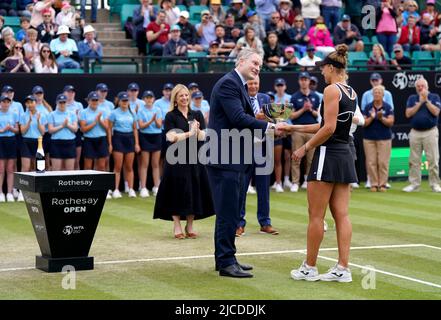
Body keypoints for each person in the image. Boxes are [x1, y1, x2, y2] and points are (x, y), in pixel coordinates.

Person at [206, 48, 285, 278]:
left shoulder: (236, 84)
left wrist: (269, 129)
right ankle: (226, 261)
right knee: (228, 211)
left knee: (230, 211)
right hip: (225, 158)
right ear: (240, 61)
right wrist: (271, 128)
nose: (257, 67)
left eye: (260, 65)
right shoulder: (230, 84)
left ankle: (227, 258)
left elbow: (244, 120)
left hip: (234, 158)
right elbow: (238, 119)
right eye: (254, 62)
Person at [286, 44, 357, 282]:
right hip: (345, 153)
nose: (321, 73)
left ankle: (309, 267)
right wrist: (293, 127)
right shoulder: (351, 91)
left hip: (328, 153)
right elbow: (324, 125)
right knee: (342, 215)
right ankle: (343, 268)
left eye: (323, 68)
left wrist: (304, 147)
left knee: (316, 216)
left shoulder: (330, 90)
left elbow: (328, 128)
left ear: (331, 67)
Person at [153, 84, 214, 238]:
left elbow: (204, 136)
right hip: (176, 159)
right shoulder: (171, 116)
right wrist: (189, 133)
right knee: (176, 191)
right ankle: (177, 226)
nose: (185, 98)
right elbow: (171, 137)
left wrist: (198, 131)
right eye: (181, 95)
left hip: (195, 158)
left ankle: (190, 225)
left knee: (194, 190)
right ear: (175, 98)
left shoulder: (197, 114)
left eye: (186, 95)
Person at [237, 76, 278, 237]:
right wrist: (257, 118)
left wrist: (268, 118)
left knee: (263, 188)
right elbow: (240, 120)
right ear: (246, 84)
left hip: (263, 148)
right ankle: (239, 224)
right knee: (242, 188)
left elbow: (273, 119)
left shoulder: (265, 98)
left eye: (256, 83)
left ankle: (265, 223)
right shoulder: (240, 98)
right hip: (245, 148)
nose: (253, 86)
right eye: (251, 83)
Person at [403, 77, 441, 193]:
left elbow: (436, 112)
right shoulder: (412, 98)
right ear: (416, 88)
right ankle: (414, 184)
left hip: (430, 131)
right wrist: (420, 102)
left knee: (433, 159)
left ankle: (434, 184)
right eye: (418, 86)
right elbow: (408, 114)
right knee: (414, 160)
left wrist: (426, 101)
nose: (420, 88)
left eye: (422, 86)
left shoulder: (434, 97)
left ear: (427, 87)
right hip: (415, 132)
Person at [289, 72, 320, 192]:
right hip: (298, 130)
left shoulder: (316, 96)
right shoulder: (294, 97)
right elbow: (291, 116)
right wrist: (303, 109)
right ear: (299, 81)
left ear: (309, 81)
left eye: (305, 79)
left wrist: (310, 109)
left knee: (311, 158)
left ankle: (308, 180)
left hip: (312, 130)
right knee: (296, 157)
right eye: (302, 79)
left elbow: (318, 115)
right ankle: (295, 182)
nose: (304, 81)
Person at [108, 92, 140, 199]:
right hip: (118, 138)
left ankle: (131, 189)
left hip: (129, 138)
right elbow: (109, 129)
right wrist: (110, 143)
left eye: (126, 100)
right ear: (119, 101)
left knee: (129, 166)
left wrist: (136, 143)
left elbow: (135, 129)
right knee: (117, 166)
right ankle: (115, 189)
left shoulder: (132, 113)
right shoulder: (114, 113)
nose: (125, 102)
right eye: (123, 100)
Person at [362, 85, 394, 192]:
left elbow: (390, 122)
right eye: (375, 92)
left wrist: (381, 118)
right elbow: (364, 123)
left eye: (379, 92)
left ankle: (383, 184)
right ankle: (374, 184)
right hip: (369, 138)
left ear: (383, 95)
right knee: (371, 162)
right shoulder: (368, 107)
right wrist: (371, 117)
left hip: (384, 138)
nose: (376, 94)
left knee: (383, 162)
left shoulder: (388, 107)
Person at [137, 90, 162, 197]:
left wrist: (154, 120)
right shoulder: (140, 110)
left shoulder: (158, 109)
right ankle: (143, 187)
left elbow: (159, 125)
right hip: (145, 136)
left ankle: (156, 186)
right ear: (144, 99)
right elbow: (141, 126)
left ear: (153, 99)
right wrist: (151, 120)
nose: (149, 99)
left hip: (156, 136)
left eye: (150, 97)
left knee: (155, 164)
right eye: (147, 98)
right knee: (144, 164)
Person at [78, 91, 109, 172]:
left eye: (96, 100)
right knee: (88, 166)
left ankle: (100, 184)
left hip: (101, 139)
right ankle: (88, 183)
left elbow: (107, 127)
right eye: (93, 100)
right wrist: (95, 122)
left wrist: (100, 121)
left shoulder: (103, 111)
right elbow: (83, 129)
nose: (94, 102)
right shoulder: (83, 112)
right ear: (88, 101)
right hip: (89, 140)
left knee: (102, 166)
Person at [19, 95, 47, 183]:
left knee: (37, 167)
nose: (30, 104)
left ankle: (37, 187)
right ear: (25, 104)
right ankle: (22, 190)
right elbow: (22, 131)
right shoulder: (23, 115)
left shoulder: (41, 115)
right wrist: (29, 121)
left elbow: (43, 132)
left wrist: (38, 121)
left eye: (31, 102)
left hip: (38, 142)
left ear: (35, 103)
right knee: (26, 167)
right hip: (26, 142)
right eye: (27, 103)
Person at [47, 93, 78, 171]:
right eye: (60, 102)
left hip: (69, 143)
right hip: (56, 143)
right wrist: (62, 126)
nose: (62, 104)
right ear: (57, 103)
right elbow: (50, 130)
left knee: (69, 170)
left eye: (64, 102)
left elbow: (75, 129)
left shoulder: (72, 114)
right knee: (56, 170)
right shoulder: (52, 114)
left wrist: (67, 125)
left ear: (67, 103)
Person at [273, 78, 292, 192]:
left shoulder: (289, 98)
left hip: (288, 130)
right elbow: (273, 116)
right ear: (275, 87)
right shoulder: (272, 98)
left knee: (287, 156)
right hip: (277, 131)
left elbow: (290, 115)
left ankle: (286, 179)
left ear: (285, 86)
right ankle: (278, 181)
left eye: (282, 85)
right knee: (277, 158)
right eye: (278, 85)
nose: (280, 87)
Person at [0, 95, 19, 203]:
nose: (6, 104)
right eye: (4, 102)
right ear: (1, 103)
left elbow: (17, 130)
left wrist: (11, 128)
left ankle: (10, 193)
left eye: (8, 102)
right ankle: (1, 193)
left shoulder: (14, 114)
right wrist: (3, 130)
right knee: (1, 169)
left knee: (11, 168)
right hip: (1, 140)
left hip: (11, 140)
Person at [63, 85, 83, 170]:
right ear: (64, 93)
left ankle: (77, 181)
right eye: (68, 92)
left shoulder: (79, 105)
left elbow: (82, 121)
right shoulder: (61, 104)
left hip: (76, 133)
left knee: (76, 161)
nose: (71, 94)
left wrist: (76, 116)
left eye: (72, 92)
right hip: (64, 133)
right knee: (65, 162)